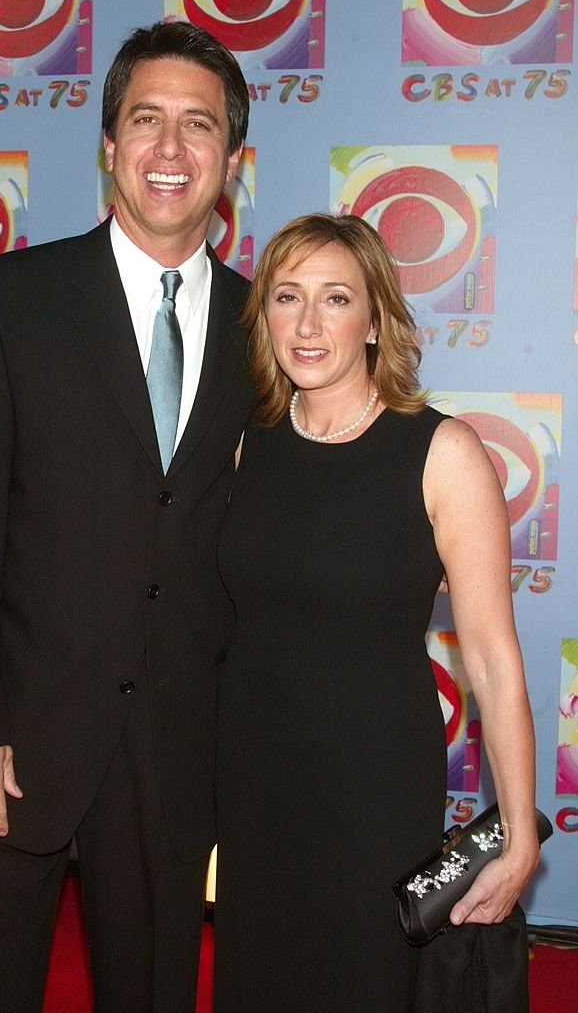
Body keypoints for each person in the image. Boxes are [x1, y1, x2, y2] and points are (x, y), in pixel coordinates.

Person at [0, 21, 252, 1013]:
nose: (170, 149)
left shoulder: (267, 327)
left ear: (231, 159)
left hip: (175, 747)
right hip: (9, 741)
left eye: (199, 126)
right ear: (108, 144)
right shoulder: (5, 299)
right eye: (146, 120)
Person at [213, 213, 539, 1011]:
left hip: (375, 782)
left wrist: (521, 834)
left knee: (363, 980)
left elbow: (493, 662)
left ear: (375, 318)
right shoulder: (243, 445)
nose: (310, 323)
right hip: (253, 774)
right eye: (288, 297)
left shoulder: (442, 452)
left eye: (336, 298)